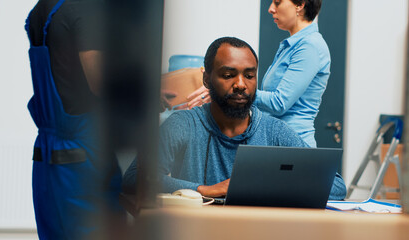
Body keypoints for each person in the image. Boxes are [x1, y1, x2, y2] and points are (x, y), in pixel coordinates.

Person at [123, 37, 346, 200]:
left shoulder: (275, 131)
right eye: (228, 75)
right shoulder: (183, 125)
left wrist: (274, 186)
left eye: (249, 76)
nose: (241, 84)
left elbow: (337, 187)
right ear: (207, 79)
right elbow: (134, 178)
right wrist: (203, 189)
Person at [26, 0, 122, 239]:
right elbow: (100, 83)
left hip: (47, 155)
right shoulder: (84, 8)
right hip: (83, 156)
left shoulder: (40, 10)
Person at [255, 0, 329, 147]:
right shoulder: (292, 45)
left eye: (277, 2)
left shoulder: (309, 46)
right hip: (278, 141)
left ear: (300, 5)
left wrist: (235, 92)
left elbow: (279, 103)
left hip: (293, 145)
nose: (271, 9)